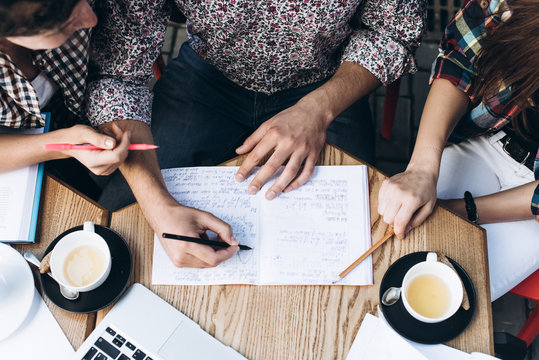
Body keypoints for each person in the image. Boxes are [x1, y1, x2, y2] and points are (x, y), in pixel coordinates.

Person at [87, 0, 427, 268]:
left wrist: (317, 109)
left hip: (328, 83)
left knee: (371, 236)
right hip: (207, 76)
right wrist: (159, 210)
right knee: (117, 228)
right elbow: (118, 73)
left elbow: (392, 32)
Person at [378, 0, 538, 301]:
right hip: (493, 142)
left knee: (440, 301)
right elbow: (460, 59)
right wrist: (422, 169)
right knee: (388, 245)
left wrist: (459, 212)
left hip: (533, 215)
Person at [0, 0, 130, 195]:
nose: (91, 19)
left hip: (89, 99)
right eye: (62, 23)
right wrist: (66, 145)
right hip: (20, 147)